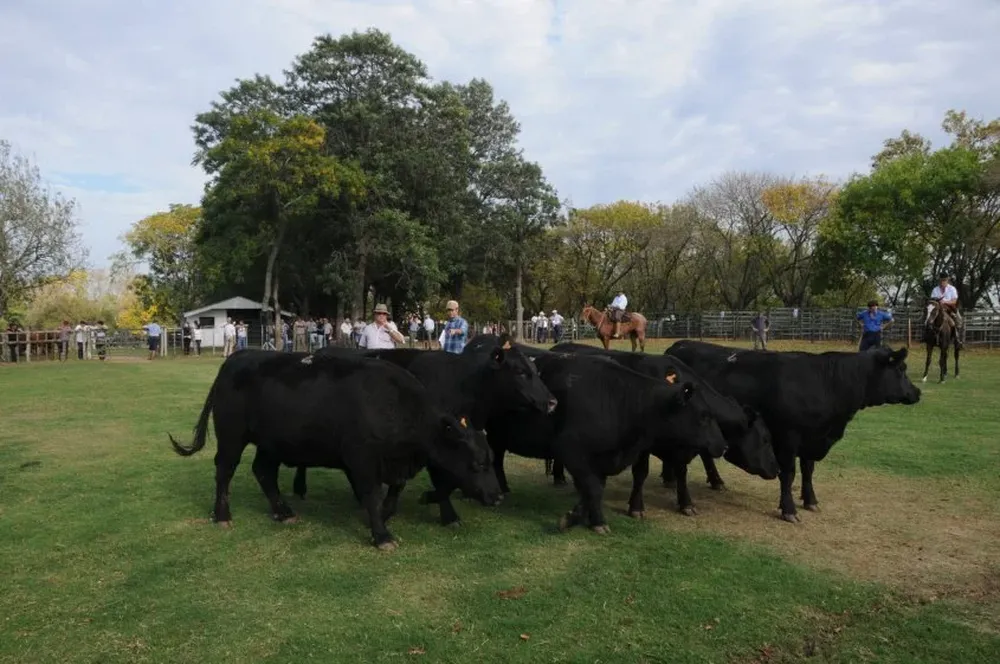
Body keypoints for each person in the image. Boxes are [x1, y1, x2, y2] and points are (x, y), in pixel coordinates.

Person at [929, 272, 964, 348]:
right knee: (928, 318)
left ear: (947, 280)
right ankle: (926, 337)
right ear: (939, 280)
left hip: (949, 308)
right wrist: (936, 302)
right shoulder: (935, 289)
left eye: (944, 280)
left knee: (959, 320)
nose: (942, 282)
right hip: (938, 308)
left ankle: (957, 339)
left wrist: (945, 302)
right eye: (941, 280)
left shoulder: (952, 289)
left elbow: (954, 301)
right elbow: (932, 300)